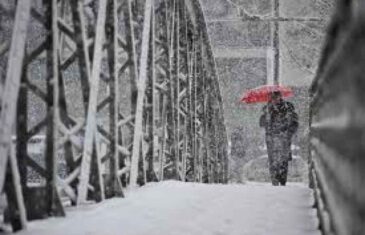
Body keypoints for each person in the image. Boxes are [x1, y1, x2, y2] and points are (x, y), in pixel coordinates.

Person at [259, 91, 298, 186]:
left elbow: (295, 123)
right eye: (272, 97)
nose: (274, 99)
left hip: (284, 138)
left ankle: (282, 180)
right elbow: (261, 123)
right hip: (271, 139)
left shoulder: (288, 107)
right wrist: (265, 116)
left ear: (280, 97)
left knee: (283, 160)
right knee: (272, 160)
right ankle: (274, 181)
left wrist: (288, 133)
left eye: (276, 97)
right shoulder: (267, 108)